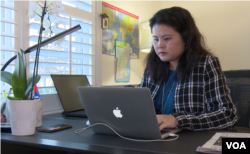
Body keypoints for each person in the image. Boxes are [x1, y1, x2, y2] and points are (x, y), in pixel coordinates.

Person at [138, 7, 237, 131]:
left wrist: (178, 120)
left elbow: (227, 115)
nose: (159, 45)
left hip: (188, 141)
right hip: (153, 138)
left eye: (167, 38)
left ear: (186, 38)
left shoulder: (206, 63)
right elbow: (139, 107)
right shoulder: (151, 66)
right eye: (156, 39)